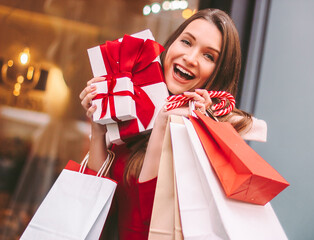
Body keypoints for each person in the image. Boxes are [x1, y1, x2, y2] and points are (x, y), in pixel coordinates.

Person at [79, 8, 266, 240]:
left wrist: (164, 125)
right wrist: (98, 127)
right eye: (186, 42)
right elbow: (94, 202)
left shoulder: (207, 138)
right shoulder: (135, 110)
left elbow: (145, 222)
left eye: (209, 56)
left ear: (220, 73)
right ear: (170, 44)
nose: (190, 58)